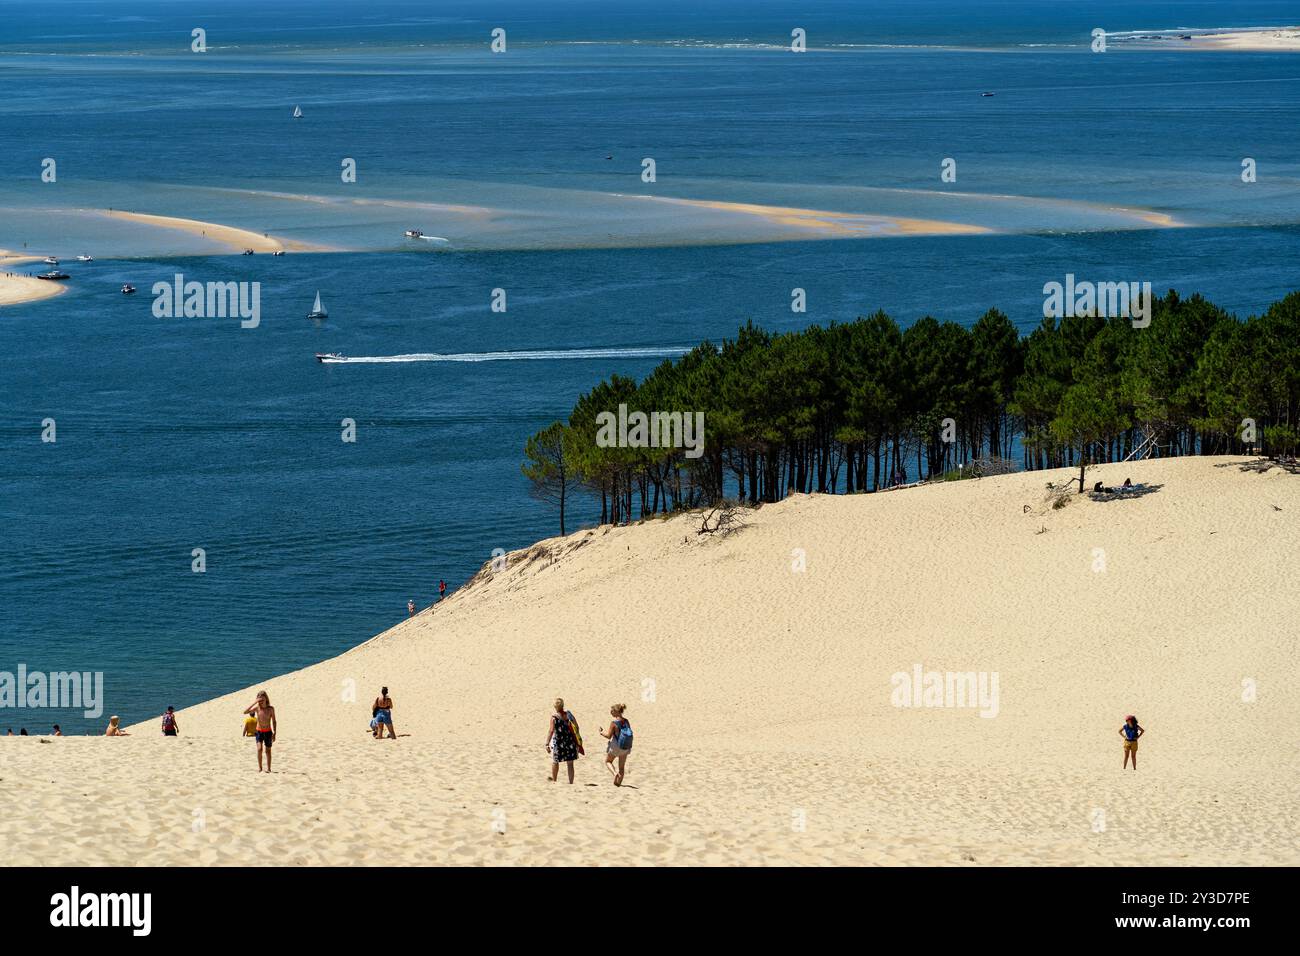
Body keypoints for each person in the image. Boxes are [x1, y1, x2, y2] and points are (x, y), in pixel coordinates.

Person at [545, 698, 582, 783]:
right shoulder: (569, 715)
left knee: (555, 761)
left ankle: (554, 780)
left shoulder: (554, 718)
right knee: (570, 763)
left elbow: (551, 731)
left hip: (559, 742)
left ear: (555, 707)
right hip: (570, 742)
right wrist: (577, 738)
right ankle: (571, 782)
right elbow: (576, 727)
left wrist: (547, 743)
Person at [599, 703, 633, 786]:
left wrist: (601, 732)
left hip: (616, 746)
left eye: (612, 711)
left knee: (608, 761)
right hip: (625, 746)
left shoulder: (614, 723)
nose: (611, 712)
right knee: (621, 767)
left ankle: (614, 774)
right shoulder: (626, 721)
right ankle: (618, 784)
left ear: (617, 712)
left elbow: (608, 736)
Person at [242, 691, 277, 772]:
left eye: (262, 697)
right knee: (259, 749)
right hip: (259, 732)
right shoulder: (257, 708)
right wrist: (255, 702)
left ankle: (268, 769)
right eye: (259, 697)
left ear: (266, 698)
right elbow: (245, 712)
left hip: (268, 732)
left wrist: (275, 733)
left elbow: (274, 721)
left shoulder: (270, 709)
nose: (260, 699)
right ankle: (260, 768)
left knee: (268, 751)